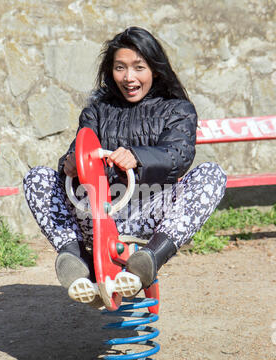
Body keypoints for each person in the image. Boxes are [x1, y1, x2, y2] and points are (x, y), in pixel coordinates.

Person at [23, 27, 227, 307]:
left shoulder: (177, 109)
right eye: (120, 68)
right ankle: (76, 261)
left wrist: (138, 157)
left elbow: (178, 155)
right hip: (97, 211)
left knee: (212, 174)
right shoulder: (98, 109)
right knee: (38, 178)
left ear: (154, 69)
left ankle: (149, 258)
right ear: (111, 70)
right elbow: (81, 147)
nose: (129, 77)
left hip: (150, 210)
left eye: (138, 68)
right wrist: (69, 163)